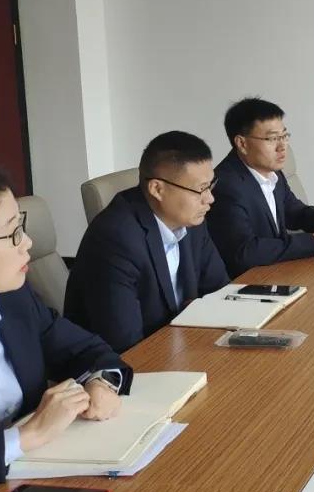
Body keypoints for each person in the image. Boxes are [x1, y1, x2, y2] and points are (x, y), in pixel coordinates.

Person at [0, 160, 130, 492]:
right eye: (12, 234)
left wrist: (101, 383)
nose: (28, 243)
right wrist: (26, 436)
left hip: (35, 480)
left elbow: (88, 350)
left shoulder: (13, 298)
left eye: (21, 226)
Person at [65, 131, 230, 352]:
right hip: (127, 362)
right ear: (157, 189)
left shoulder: (191, 220)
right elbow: (124, 342)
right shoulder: (115, 239)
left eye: (210, 185)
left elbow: (219, 292)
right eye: (200, 189)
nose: (210, 198)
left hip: (183, 345)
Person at [206, 97, 314, 277]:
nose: (282, 146)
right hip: (248, 281)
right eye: (272, 138)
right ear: (242, 144)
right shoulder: (225, 186)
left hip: (278, 270)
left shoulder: (271, 172)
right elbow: (245, 252)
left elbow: (295, 211)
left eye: (284, 136)